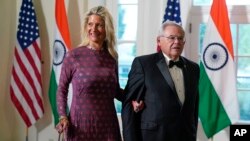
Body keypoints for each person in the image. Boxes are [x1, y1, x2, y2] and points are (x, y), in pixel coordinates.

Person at [56, 6, 142, 141]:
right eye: (90, 24)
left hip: (108, 125)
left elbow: (114, 90)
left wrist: (133, 99)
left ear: (106, 29)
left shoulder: (112, 57)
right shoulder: (73, 56)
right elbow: (62, 88)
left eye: (99, 25)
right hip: (81, 126)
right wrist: (62, 116)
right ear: (86, 27)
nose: (93, 29)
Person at [122, 21, 200, 141]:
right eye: (172, 38)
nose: (177, 42)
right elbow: (128, 105)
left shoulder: (194, 68)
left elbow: (193, 108)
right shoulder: (143, 64)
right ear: (159, 41)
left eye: (180, 38)